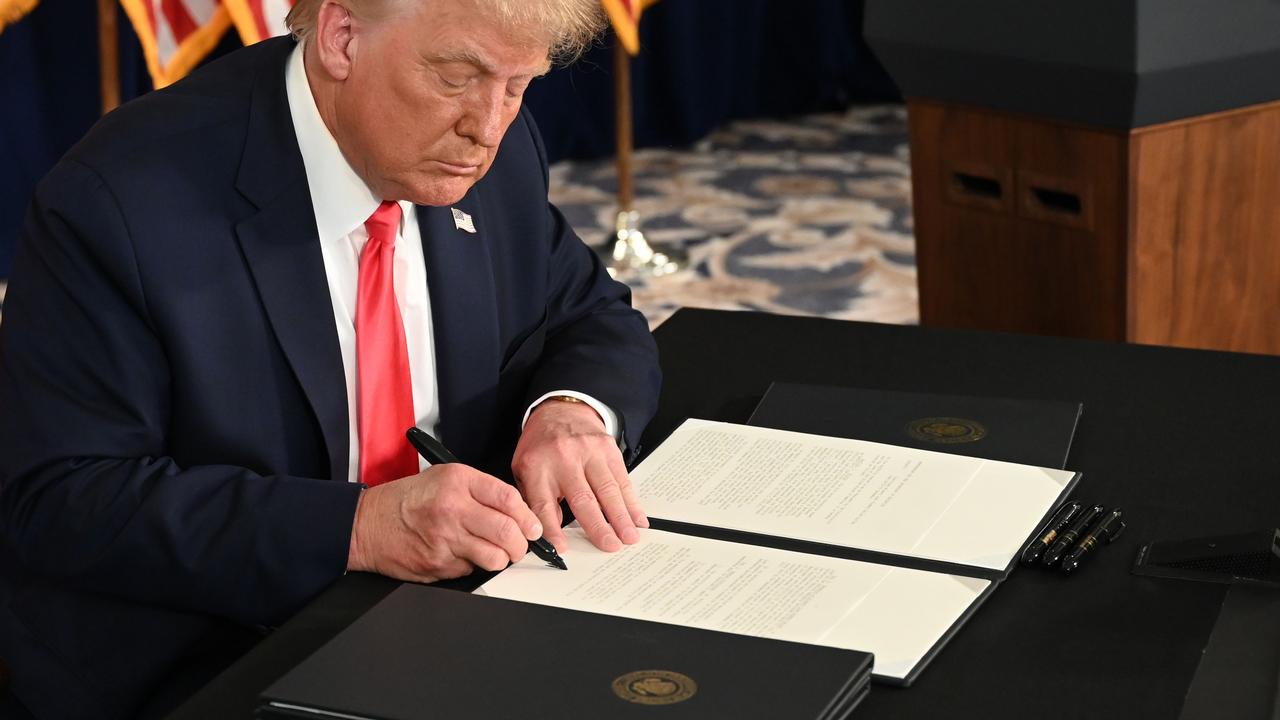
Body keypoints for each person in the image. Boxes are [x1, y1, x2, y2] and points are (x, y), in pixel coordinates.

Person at [0, 0, 661, 717]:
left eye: (519, 84)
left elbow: (591, 313)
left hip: (454, 624)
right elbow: (64, 498)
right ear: (342, 37)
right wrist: (358, 528)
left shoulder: (490, 150)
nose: (488, 127)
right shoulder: (120, 202)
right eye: (456, 77)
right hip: (213, 655)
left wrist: (569, 411)